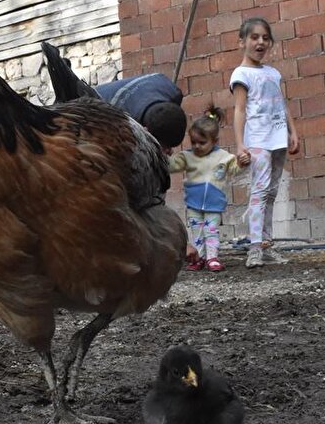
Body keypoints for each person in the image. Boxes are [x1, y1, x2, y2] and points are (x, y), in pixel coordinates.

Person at [229, 17, 300, 269]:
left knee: (271, 192)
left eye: (265, 38)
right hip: (258, 139)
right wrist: (240, 145)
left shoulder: (273, 73)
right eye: (254, 37)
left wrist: (293, 132)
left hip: (278, 137)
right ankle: (255, 247)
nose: (260, 42)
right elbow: (239, 111)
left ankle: (267, 245)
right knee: (259, 192)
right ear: (242, 42)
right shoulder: (241, 74)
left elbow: (282, 104)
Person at [168, 106, 248, 272]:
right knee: (197, 232)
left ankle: (212, 257)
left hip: (214, 203)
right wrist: (163, 155)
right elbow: (171, 165)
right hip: (193, 204)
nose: (197, 146)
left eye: (202, 143)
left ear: (215, 141)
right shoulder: (187, 157)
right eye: (194, 142)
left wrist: (241, 163)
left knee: (211, 231)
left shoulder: (223, 158)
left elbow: (234, 169)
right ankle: (199, 258)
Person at [96, 73, 187, 148]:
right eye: (164, 147)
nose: (169, 153)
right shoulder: (119, 123)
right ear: (146, 131)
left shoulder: (172, 90)